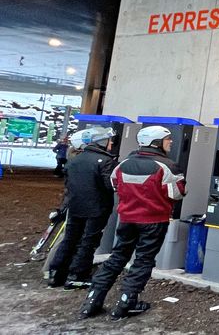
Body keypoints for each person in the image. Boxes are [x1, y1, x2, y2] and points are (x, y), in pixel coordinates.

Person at [80, 125, 185, 320]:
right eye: (168, 139)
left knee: (117, 257)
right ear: (157, 142)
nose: (171, 142)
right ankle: (126, 303)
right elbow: (177, 193)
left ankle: (92, 301)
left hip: (127, 219)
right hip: (154, 220)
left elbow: (114, 185)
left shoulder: (123, 164)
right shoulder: (167, 165)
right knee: (143, 260)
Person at [47, 127, 117, 289]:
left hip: (75, 207)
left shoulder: (74, 160)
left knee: (70, 239)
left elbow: (68, 185)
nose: (111, 143)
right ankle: (77, 275)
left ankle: (55, 273)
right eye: (109, 140)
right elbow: (110, 185)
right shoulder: (106, 161)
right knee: (88, 241)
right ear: (101, 141)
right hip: (97, 208)